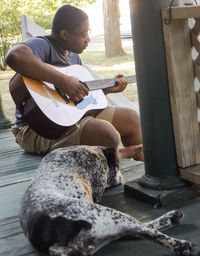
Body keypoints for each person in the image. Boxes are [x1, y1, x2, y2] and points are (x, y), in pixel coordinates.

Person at [5, 5, 144, 161]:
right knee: (107, 133)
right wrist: (64, 81)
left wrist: (106, 91)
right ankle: (116, 161)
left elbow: (77, 101)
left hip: (70, 119)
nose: (88, 39)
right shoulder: (44, 45)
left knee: (132, 118)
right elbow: (15, 56)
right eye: (83, 34)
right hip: (36, 129)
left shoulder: (73, 57)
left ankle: (147, 170)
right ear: (65, 34)